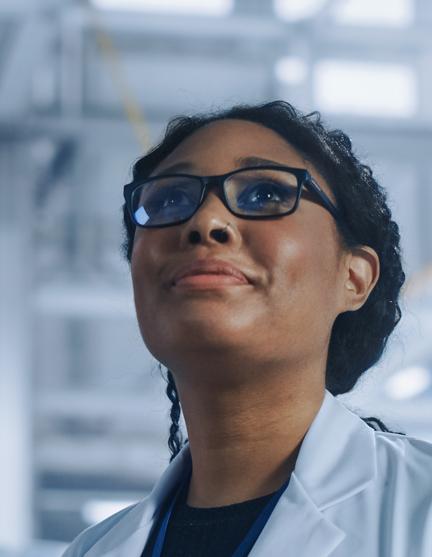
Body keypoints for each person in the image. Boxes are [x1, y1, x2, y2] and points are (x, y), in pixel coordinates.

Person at [62, 100, 432, 557]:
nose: (205, 222)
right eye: (169, 200)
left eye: (264, 194)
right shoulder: (91, 551)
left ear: (353, 278)